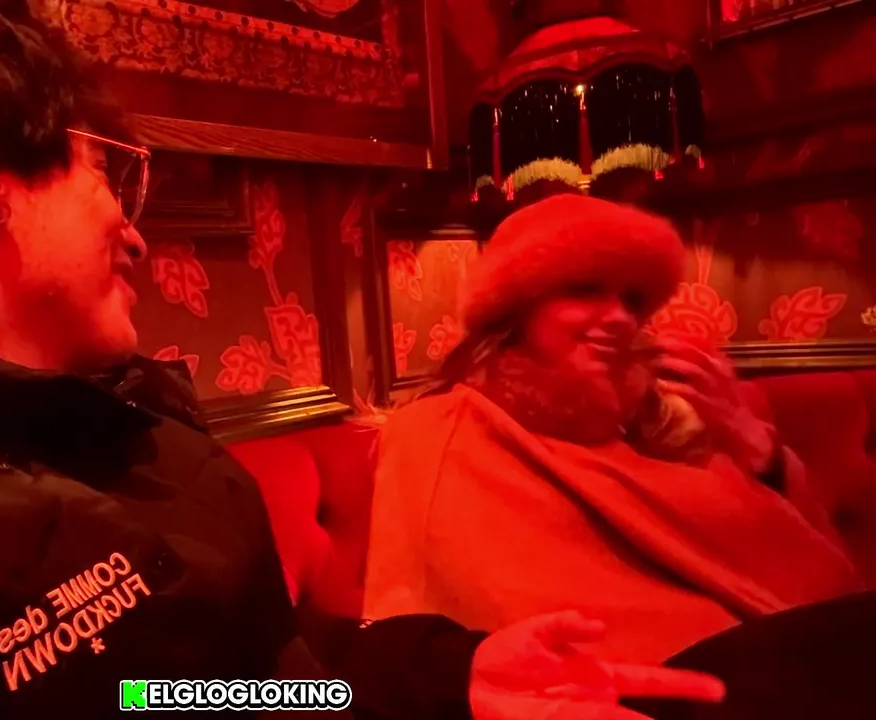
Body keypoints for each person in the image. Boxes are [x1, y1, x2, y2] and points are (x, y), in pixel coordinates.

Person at [0, 3, 723, 717]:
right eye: (107, 174)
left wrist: (441, 679)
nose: (136, 235)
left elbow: (185, 695)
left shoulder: (119, 432)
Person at [363, 193, 867, 668]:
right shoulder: (443, 432)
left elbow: (816, 575)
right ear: (515, 311)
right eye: (585, 289)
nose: (620, 318)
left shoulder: (664, 425)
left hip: (799, 663)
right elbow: (408, 633)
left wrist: (761, 453)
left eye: (631, 299)